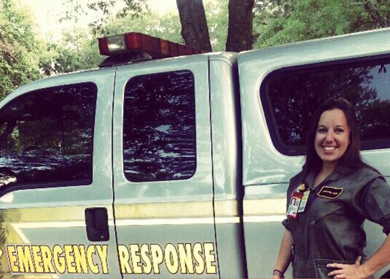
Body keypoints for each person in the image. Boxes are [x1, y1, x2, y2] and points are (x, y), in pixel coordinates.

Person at [273, 98, 390, 278]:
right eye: (322, 130)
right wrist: (278, 272)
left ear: (350, 138)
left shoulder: (364, 180)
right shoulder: (301, 181)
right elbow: (291, 228)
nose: (329, 138)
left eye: (338, 130)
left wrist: (364, 270)